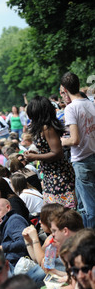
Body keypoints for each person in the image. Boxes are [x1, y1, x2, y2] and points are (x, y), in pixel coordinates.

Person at [25, 96, 76, 208]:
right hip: (50, 174)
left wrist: (36, 157)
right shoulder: (42, 127)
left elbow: (57, 152)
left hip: (59, 175)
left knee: (61, 211)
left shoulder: (47, 128)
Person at [60, 72, 95, 228]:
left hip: (81, 161)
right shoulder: (90, 103)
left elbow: (75, 140)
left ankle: (89, 243)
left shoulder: (71, 108)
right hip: (92, 155)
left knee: (89, 208)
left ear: (65, 89)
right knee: (83, 205)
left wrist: (62, 141)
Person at [0, 198, 28, 267]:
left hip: (17, 265)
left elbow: (23, 242)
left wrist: (2, 247)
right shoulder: (6, 223)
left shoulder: (14, 220)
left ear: (8, 208)